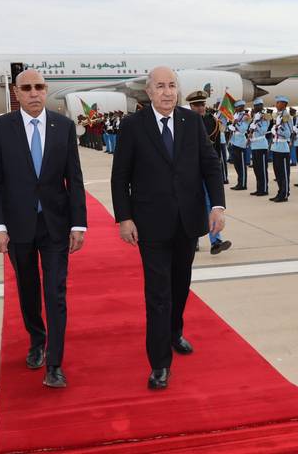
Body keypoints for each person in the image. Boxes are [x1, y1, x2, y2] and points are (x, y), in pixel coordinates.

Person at [111, 66, 225, 390]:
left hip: (187, 222)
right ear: (148, 92)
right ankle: (159, 363)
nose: (167, 92)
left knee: (180, 285)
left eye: (172, 85)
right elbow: (120, 176)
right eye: (160, 86)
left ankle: (174, 331)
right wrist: (125, 217)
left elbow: (210, 165)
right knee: (158, 293)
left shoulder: (192, 123)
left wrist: (217, 205)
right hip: (150, 225)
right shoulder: (134, 126)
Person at [0, 69, 87, 387]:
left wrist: (78, 224)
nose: (33, 93)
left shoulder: (64, 127)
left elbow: (75, 178)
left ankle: (55, 364)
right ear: (16, 92)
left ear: (46, 90)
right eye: (26, 88)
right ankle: (37, 340)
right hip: (18, 226)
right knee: (28, 290)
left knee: (55, 293)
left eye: (39, 87)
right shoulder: (1, 128)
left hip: (55, 225)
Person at [187, 90, 232, 255]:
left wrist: (218, 166)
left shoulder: (211, 121)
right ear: (191, 106)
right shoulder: (184, 121)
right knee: (191, 206)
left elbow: (214, 147)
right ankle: (194, 240)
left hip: (205, 170)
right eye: (197, 105)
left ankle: (216, 241)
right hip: (190, 171)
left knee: (209, 205)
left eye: (203, 104)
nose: (201, 108)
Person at [270, 96, 293, 202]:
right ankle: (280, 192)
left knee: (283, 173)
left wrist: (278, 131)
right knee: (277, 172)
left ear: (284, 104)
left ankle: (284, 194)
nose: (276, 104)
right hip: (276, 147)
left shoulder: (286, 115)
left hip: (283, 148)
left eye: (278, 102)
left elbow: (288, 133)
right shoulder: (279, 115)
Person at [247, 98, 270, 196]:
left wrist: (257, 125)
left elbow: (263, 131)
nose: (256, 107)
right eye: (255, 106)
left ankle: (264, 189)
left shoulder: (265, 117)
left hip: (261, 145)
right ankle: (259, 188)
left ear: (262, 106)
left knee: (262, 169)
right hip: (254, 145)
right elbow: (251, 130)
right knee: (256, 168)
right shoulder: (255, 117)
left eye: (258, 106)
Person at [228, 100, 249, 190]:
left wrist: (236, 124)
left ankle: (243, 184)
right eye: (235, 107)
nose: (235, 108)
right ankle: (239, 183)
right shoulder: (235, 115)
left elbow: (243, 129)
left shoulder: (246, 116)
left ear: (242, 107)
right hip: (234, 141)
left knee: (241, 165)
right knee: (236, 164)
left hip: (240, 142)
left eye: (237, 107)